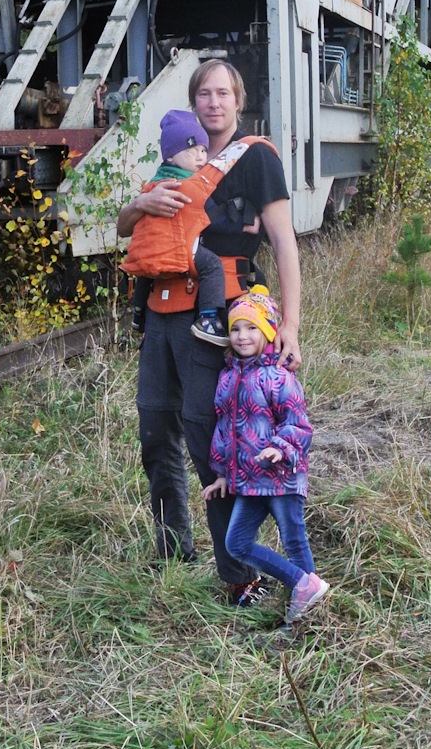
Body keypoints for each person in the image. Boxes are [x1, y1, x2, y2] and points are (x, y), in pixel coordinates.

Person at [116, 60, 302, 604]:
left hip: (222, 319)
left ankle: (238, 573)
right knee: (156, 428)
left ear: (238, 101)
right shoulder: (176, 160)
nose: (214, 102)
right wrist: (137, 204)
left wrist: (288, 324)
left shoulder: (257, 157)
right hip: (162, 311)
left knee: (209, 439)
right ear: (194, 102)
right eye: (204, 94)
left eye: (223, 93)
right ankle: (173, 546)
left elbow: (285, 244)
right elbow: (130, 227)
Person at [202, 287, 329, 623]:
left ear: (269, 331)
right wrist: (222, 474)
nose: (242, 336)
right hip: (249, 480)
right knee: (237, 543)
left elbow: (299, 425)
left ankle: (306, 609)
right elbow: (227, 432)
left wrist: (279, 447)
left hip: (283, 477)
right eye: (235, 328)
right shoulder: (227, 377)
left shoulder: (279, 377)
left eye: (251, 327)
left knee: (293, 537)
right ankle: (304, 585)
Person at [124, 110, 229, 346]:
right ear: (171, 156)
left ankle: (139, 313)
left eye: (203, 150)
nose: (200, 157)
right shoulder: (190, 183)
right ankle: (209, 319)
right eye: (191, 151)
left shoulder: (155, 181)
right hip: (178, 247)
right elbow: (212, 217)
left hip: (152, 247)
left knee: (145, 270)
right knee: (212, 266)